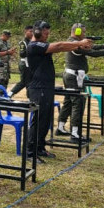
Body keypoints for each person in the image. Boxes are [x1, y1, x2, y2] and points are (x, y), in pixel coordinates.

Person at [26, 21, 93, 161]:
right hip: (39, 88)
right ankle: (30, 152)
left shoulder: (40, 45)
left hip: (46, 87)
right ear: (37, 32)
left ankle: (40, 148)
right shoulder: (33, 46)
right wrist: (79, 43)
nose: (47, 36)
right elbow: (60, 46)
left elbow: (60, 46)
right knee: (38, 121)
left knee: (45, 120)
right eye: (45, 33)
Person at [56, 23, 104, 141]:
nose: (84, 34)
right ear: (77, 32)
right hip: (74, 77)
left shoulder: (73, 42)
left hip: (71, 75)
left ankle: (61, 127)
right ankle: (75, 133)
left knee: (69, 102)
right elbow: (91, 53)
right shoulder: (75, 44)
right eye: (83, 32)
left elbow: (90, 48)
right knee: (78, 103)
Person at [10, 25, 34, 97]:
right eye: (30, 31)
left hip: (29, 64)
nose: (32, 33)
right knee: (24, 82)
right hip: (25, 64)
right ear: (25, 32)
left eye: (33, 31)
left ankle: (30, 97)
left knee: (29, 82)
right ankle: (10, 94)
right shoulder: (23, 42)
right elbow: (22, 54)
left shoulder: (31, 41)